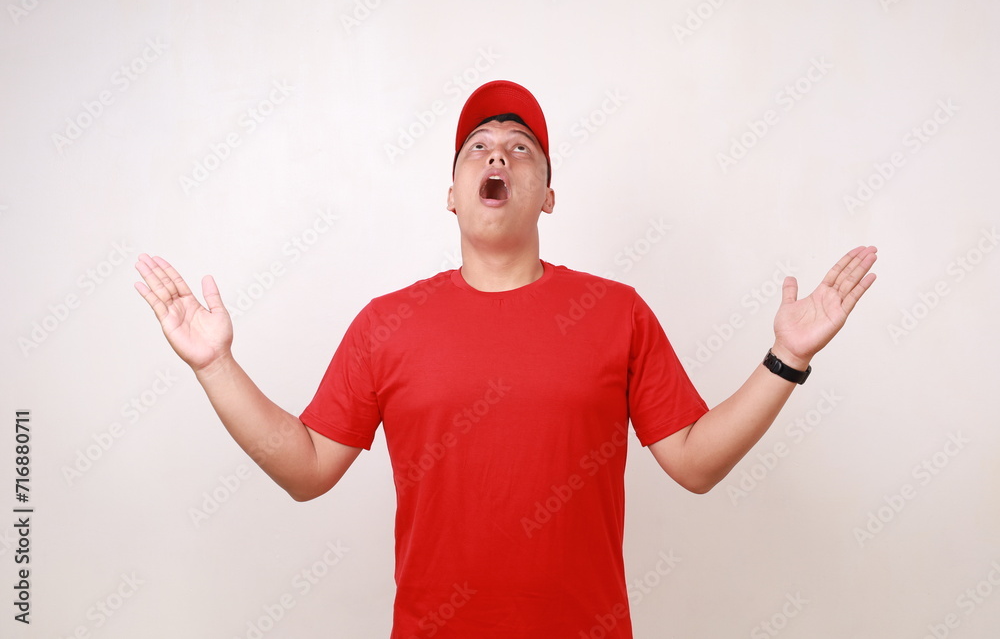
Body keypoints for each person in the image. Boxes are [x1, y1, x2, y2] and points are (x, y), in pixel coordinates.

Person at [134, 80, 877, 638]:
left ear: (548, 195)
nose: (498, 154)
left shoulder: (616, 312)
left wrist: (785, 357)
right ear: (452, 195)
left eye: (520, 148)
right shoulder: (387, 324)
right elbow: (305, 466)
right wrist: (213, 366)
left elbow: (694, 461)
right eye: (479, 147)